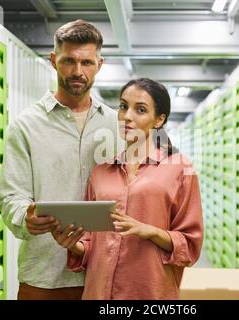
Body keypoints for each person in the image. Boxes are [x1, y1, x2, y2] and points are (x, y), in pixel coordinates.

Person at [0, 20, 118, 300]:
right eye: (68, 61)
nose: (77, 72)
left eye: (87, 62)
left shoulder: (118, 126)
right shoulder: (25, 126)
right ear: (53, 60)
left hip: (106, 275)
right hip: (44, 277)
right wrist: (24, 218)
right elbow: (10, 197)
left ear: (100, 64)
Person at [52, 78, 204, 299]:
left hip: (149, 291)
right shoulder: (100, 172)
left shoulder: (180, 168)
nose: (127, 116)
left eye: (140, 110)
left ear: (159, 119)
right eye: (123, 106)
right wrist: (74, 245)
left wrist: (150, 231)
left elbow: (190, 244)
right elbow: (91, 242)